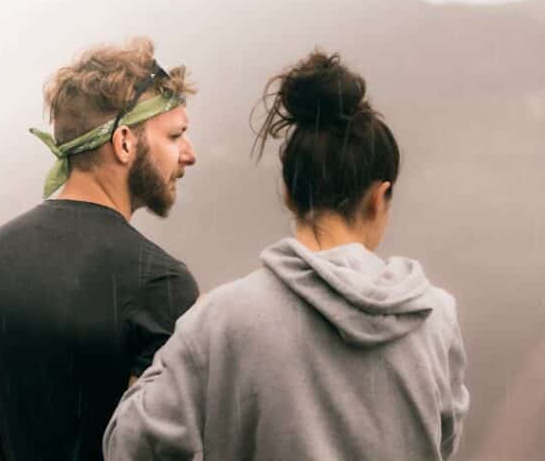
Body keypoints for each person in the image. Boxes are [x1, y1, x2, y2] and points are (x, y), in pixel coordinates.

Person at [103, 50, 470, 461]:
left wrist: (181, 339)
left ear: (289, 194)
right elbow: (443, 442)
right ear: (378, 198)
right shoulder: (436, 317)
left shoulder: (221, 319)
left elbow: (130, 447)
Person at [0, 38, 201, 461]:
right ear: (125, 142)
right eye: (176, 135)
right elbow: (145, 450)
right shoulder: (158, 282)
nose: (189, 155)